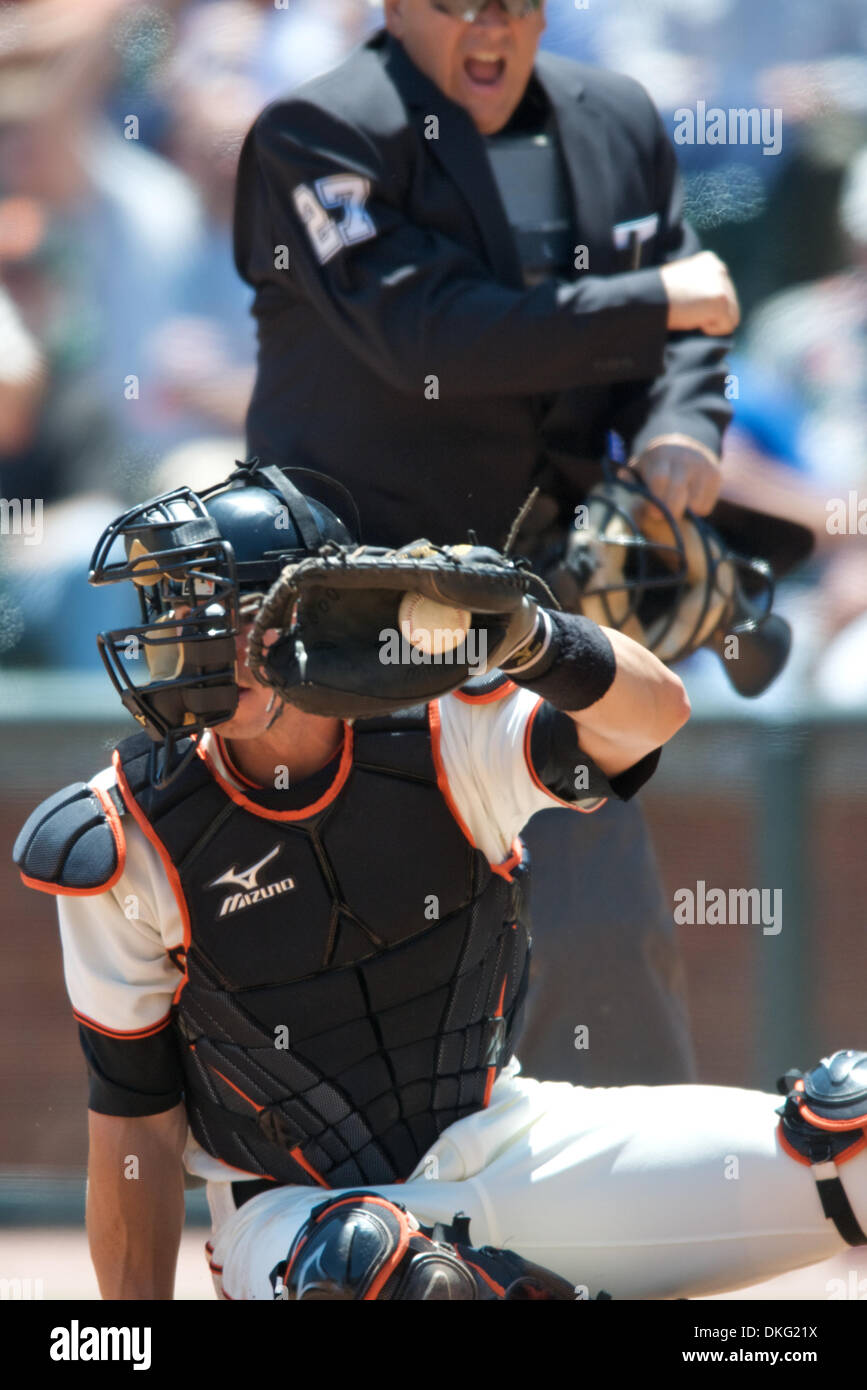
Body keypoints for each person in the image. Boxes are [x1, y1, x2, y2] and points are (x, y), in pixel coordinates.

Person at [13, 461, 867, 1300]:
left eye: (214, 612)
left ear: (303, 621)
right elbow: (136, 1125)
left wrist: (533, 638)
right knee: (375, 1268)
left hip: (502, 1139)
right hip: (296, 1217)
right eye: (173, 610)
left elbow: (653, 718)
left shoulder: (443, 729)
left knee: (847, 1140)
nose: (178, 636)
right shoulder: (126, 830)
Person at [231, 0, 742, 1086]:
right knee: (366, 959)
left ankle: (634, 1224)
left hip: (536, 604)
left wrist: (681, 426)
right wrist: (652, 303)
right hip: (352, 606)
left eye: (511, 1)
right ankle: (365, 1237)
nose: (488, 25)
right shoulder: (318, 132)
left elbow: (691, 324)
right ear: (396, 6)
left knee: (599, 928)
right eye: (455, 1)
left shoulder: (612, 120)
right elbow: (433, 335)